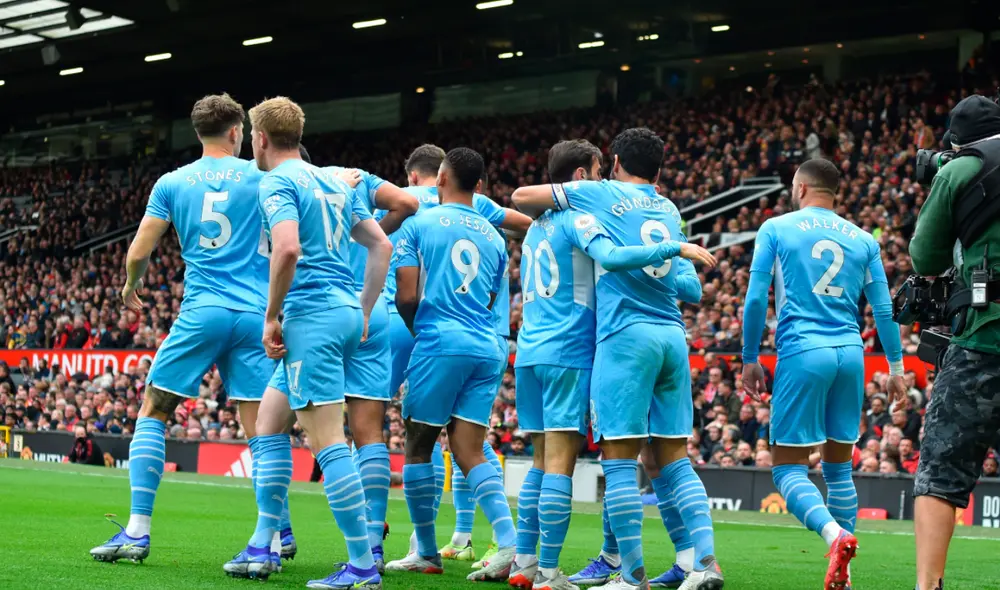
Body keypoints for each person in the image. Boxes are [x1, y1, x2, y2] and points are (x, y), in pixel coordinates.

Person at [513, 127, 722, 590]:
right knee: (675, 459)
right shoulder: (667, 208)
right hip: (672, 336)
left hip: (622, 339)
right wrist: (666, 260)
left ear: (614, 161)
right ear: (660, 170)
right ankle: (703, 564)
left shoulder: (597, 195)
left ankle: (629, 576)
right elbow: (692, 288)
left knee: (619, 461)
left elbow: (524, 196)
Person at [90, 94, 280, 566]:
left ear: (199, 133)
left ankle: (136, 532)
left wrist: (131, 286)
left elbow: (139, 251)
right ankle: (269, 542)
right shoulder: (264, 177)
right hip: (256, 313)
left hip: (204, 310)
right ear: (237, 132)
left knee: (155, 408)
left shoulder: (172, 182)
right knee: (264, 429)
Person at [223, 96, 391, 590]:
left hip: (310, 317)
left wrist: (272, 315)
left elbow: (289, 248)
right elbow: (380, 243)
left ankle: (362, 566)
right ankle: (263, 542)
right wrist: (362, 307)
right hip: (341, 313)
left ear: (259, 138)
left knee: (328, 442)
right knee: (270, 423)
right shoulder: (332, 179)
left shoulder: (276, 181)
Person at [741, 157, 905, 590]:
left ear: (799, 188)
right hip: (852, 354)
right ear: (836, 192)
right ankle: (844, 578)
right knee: (838, 471)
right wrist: (896, 368)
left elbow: (757, 297)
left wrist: (748, 357)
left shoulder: (776, 228)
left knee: (787, 470)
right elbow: (884, 310)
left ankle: (835, 535)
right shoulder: (863, 239)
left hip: (803, 351)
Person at [381, 144, 528, 566]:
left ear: (440, 178)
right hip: (488, 347)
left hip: (441, 339)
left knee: (418, 443)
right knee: (469, 449)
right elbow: (492, 298)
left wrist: (421, 331)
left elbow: (406, 295)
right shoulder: (494, 237)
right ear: (479, 186)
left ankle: (426, 551)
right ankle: (511, 545)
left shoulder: (418, 224)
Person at [908, 94, 1000, 590]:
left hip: (984, 340)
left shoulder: (960, 169)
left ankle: (929, 586)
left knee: (940, 470)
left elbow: (924, 257)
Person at [317, 148, 419, 570]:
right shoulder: (356, 177)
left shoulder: (290, 184)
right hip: (372, 307)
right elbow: (407, 203)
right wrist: (375, 229)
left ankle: (272, 535)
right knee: (369, 432)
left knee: (282, 424)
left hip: (321, 307)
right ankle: (374, 540)